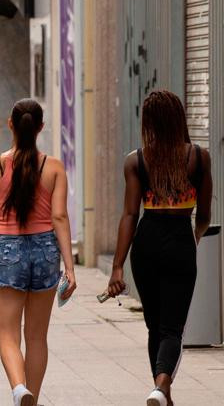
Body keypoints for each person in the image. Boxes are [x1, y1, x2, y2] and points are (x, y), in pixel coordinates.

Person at [106, 90, 213, 406]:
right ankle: (162, 385)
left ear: (149, 122)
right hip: (180, 240)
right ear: (178, 118)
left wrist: (117, 267)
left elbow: (129, 214)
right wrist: (193, 238)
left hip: (146, 243)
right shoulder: (198, 157)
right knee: (172, 327)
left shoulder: (136, 160)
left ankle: (161, 390)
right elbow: (204, 215)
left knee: (155, 325)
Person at [0, 99, 76, 406]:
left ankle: (19, 388)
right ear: (40, 128)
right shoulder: (53, 167)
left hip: (7, 247)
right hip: (46, 249)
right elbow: (59, 217)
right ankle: (30, 395)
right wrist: (70, 269)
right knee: (37, 336)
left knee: (8, 334)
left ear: (10, 124)